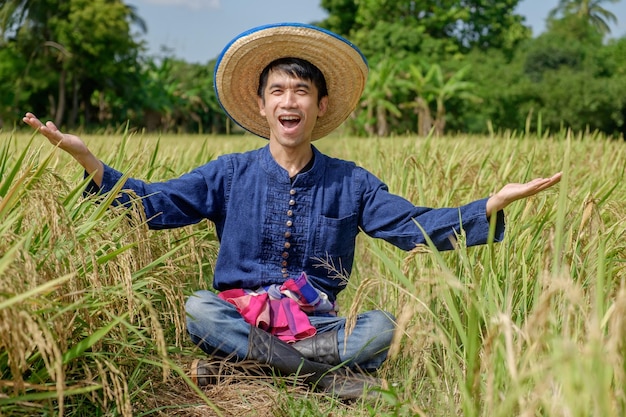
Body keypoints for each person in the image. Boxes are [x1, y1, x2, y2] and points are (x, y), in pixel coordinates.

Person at [23, 23, 561, 400]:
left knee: (381, 327)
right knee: (199, 310)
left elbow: (410, 226)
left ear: (320, 106)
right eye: (277, 90)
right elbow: (154, 205)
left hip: (319, 325)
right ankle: (321, 378)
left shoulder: (352, 182)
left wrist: (489, 204)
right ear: (260, 106)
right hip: (240, 316)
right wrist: (88, 158)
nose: (289, 101)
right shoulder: (226, 173)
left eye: (301, 91)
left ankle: (253, 364)